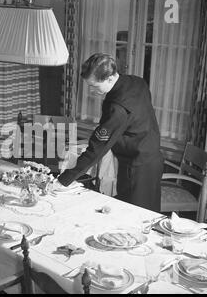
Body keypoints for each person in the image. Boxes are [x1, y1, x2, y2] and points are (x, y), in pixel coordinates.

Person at [55, 53, 163, 212]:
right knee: (143, 212)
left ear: (110, 78)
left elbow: (96, 149)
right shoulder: (137, 81)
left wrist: (64, 179)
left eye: (95, 86)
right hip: (152, 159)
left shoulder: (118, 109)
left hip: (137, 167)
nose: (92, 90)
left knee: (136, 216)